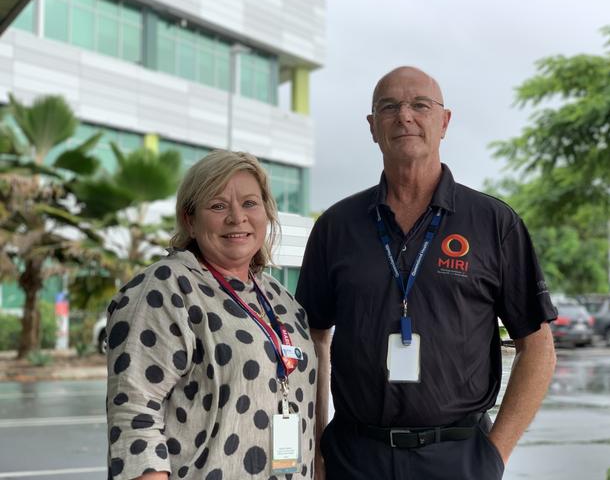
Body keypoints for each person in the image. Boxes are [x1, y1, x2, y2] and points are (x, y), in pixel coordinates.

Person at [296, 66, 557, 480]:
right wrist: (313, 442)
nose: (405, 116)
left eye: (420, 105)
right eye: (389, 107)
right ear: (372, 126)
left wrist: (495, 454)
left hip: (458, 458)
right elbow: (313, 339)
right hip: (354, 458)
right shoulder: (337, 226)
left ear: (444, 121)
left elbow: (538, 346)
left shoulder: (494, 223)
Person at [106, 150, 317, 480]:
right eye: (218, 206)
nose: (237, 217)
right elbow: (135, 416)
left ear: (266, 212)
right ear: (190, 219)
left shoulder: (281, 299)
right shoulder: (166, 286)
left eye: (250, 203)